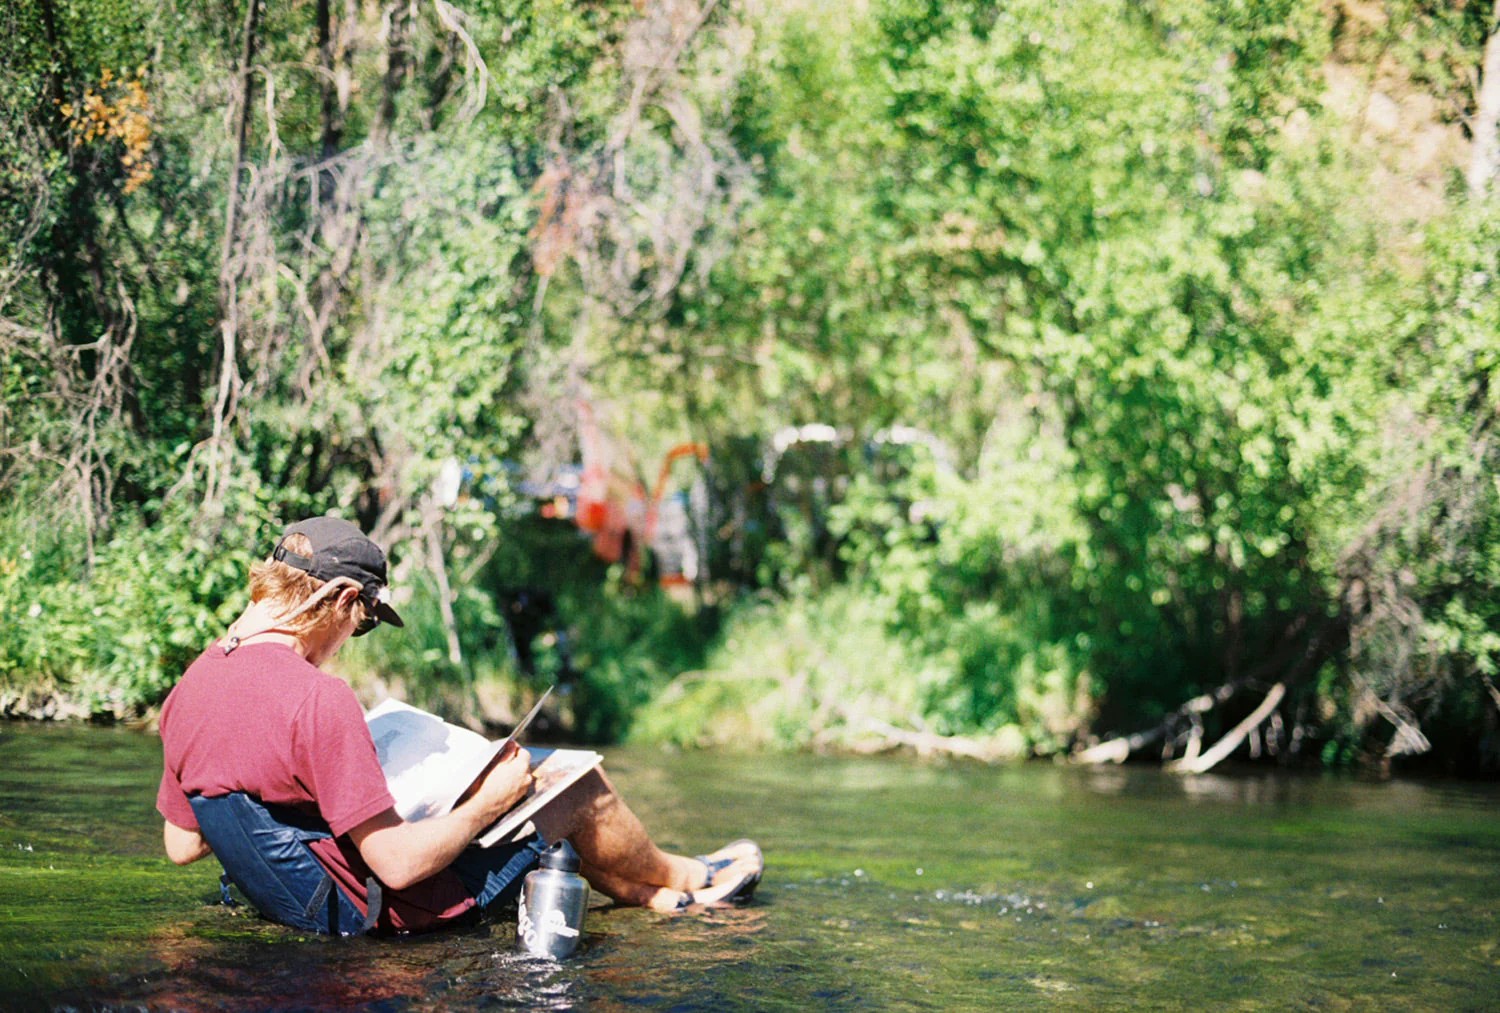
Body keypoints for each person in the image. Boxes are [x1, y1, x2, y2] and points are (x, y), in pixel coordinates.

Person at [156, 516, 762, 935]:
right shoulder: (319, 698)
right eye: (361, 623)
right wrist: (486, 804)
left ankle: (649, 892)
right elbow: (394, 865)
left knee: (521, 789)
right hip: (374, 911)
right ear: (341, 599)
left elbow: (182, 845)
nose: (347, 643)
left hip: (300, 899)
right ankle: (689, 875)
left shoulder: (189, 689)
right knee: (571, 785)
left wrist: (278, 801)